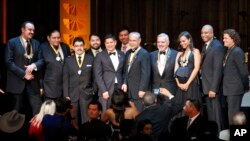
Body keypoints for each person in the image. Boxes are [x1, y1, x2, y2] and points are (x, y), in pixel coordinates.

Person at [5, 21, 43, 115]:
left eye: (33, 30)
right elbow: (8, 62)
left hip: (33, 83)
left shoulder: (36, 43)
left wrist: (33, 65)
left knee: (37, 111)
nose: (32, 32)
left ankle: (35, 129)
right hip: (17, 82)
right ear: (22, 30)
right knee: (16, 113)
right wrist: (24, 74)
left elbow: (41, 60)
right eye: (29, 30)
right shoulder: (12, 42)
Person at [63, 37, 95, 127]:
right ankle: (74, 137)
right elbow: (65, 79)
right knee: (73, 119)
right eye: (76, 46)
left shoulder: (91, 59)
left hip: (87, 94)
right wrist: (66, 95)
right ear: (73, 47)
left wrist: (93, 91)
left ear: (84, 46)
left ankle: (87, 136)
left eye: (81, 45)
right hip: (72, 95)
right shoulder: (68, 60)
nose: (79, 48)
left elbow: (95, 77)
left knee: (87, 118)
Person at [200, 24, 225, 131]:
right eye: (202, 33)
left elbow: (218, 69)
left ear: (212, 33)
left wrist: (213, 88)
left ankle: (219, 134)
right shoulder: (206, 46)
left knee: (216, 116)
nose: (203, 35)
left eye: (206, 33)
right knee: (210, 116)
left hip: (212, 88)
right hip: (206, 87)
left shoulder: (217, 46)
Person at [222, 29, 249, 125]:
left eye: (226, 38)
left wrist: (246, 86)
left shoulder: (237, 51)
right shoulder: (230, 51)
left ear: (233, 39)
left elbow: (244, 72)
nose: (223, 40)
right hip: (230, 89)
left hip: (234, 89)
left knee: (234, 116)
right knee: (232, 115)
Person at [94, 34, 126, 111]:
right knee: (105, 112)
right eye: (107, 43)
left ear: (115, 42)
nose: (109, 44)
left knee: (119, 112)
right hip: (106, 89)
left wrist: (125, 83)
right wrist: (103, 90)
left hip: (119, 88)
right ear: (104, 44)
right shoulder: (99, 55)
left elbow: (125, 71)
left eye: (111, 42)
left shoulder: (122, 54)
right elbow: (98, 75)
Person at [174, 31, 202, 117]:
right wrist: (178, 84)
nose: (182, 43)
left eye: (184, 41)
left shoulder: (195, 51)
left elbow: (196, 68)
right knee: (180, 107)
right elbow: (175, 70)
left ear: (189, 40)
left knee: (191, 108)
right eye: (181, 41)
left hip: (191, 85)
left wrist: (187, 83)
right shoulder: (179, 53)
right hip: (180, 86)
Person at [40, 29, 71, 100]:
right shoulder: (43, 48)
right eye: (54, 38)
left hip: (65, 87)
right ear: (48, 38)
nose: (57, 40)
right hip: (50, 87)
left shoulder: (65, 47)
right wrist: (41, 87)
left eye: (58, 37)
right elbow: (40, 70)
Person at [124, 32, 151, 112]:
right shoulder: (128, 52)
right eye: (130, 40)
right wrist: (125, 82)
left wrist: (142, 89)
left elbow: (146, 74)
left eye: (134, 40)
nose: (131, 42)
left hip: (139, 91)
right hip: (129, 91)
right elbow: (126, 70)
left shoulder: (144, 53)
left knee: (139, 113)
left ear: (139, 41)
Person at [150, 33, 177, 104]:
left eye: (162, 42)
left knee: (169, 112)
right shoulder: (151, 55)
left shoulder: (176, 54)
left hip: (170, 89)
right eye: (158, 42)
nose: (160, 44)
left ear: (168, 43)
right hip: (155, 90)